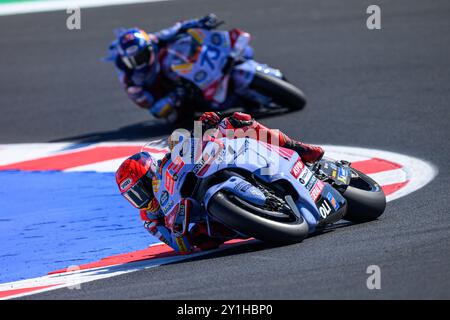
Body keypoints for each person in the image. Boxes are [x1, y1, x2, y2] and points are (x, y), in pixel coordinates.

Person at [115, 112, 324, 253]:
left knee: (236, 121)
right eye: (134, 197)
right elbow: (179, 246)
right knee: (203, 242)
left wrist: (205, 128)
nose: (141, 198)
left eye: (141, 189)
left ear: (152, 175)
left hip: (205, 176)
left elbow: (190, 143)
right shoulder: (149, 219)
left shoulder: (167, 166)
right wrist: (180, 228)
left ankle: (298, 148)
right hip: (213, 224)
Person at [106, 14, 221, 123]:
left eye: (141, 57)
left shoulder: (152, 40)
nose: (138, 63)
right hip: (165, 94)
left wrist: (199, 22)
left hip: (175, 69)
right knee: (172, 116)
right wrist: (175, 95)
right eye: (132, 61)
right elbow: (150, 106)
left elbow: (176, 28)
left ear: (149, 47)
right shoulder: (130, 80)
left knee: (178, 42)